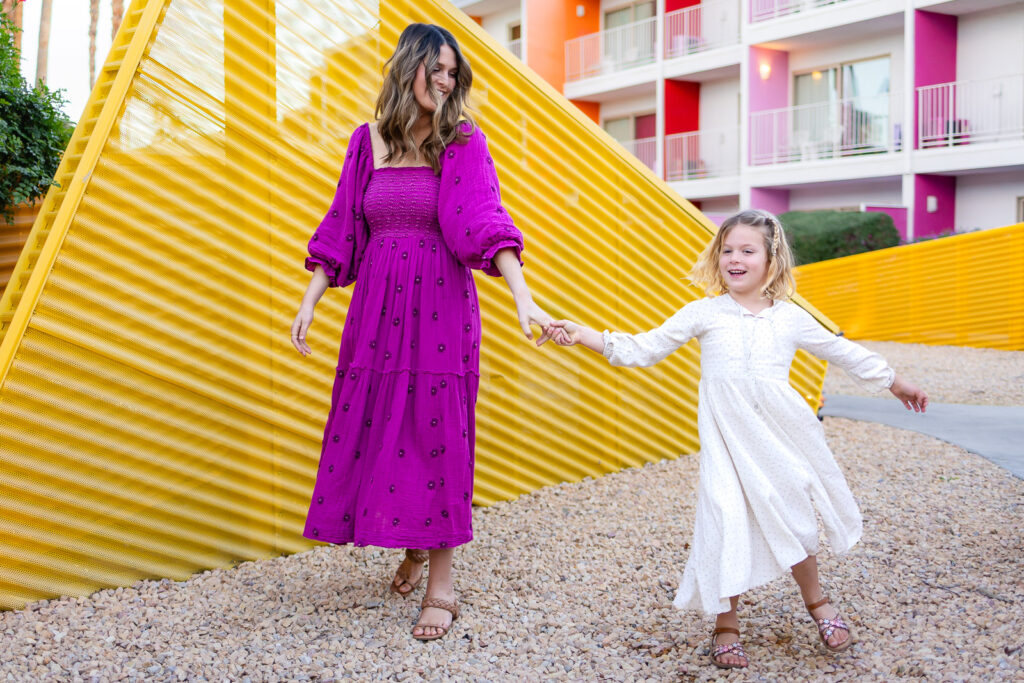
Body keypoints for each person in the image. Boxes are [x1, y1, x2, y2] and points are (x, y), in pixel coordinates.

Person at [547, 209, 928, 668]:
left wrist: (894, 381)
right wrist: (583, 334)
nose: (735, 258)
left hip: (778, 437)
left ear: (772, 259)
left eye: (747, 250)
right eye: (727, 250)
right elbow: (642, 348)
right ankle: (726, 624)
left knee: (793, 517)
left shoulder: (789, 318)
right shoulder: (704, 313)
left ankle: (818, 602)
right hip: (727, 443)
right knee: (725, 519)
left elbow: (842, 350)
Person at [290, 23, 554, 642]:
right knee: (381, 428)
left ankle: (442, 583)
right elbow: (341, 229)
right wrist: (309, 302)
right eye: (436, 67)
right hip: (377, 311)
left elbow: (483, 218)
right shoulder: (366, 144)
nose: (446, 78)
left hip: (439, 306)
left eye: (453, 71)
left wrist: (524, 298)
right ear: (407, 66)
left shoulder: (460, 141)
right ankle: (409, 543)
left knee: (436, 432)